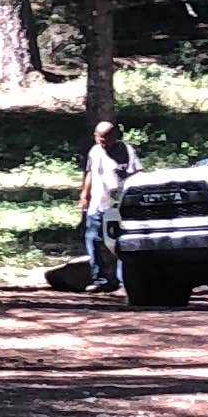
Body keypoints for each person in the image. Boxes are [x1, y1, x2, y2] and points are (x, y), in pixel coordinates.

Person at [81, 119, 134, 293]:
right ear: (95, 137)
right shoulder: (94, 151)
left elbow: (136, 174)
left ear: (115, 136)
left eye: (108, 139)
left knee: (120, 242)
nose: (104, 143)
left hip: (117, 206)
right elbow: (90, 172)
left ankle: (124, 282)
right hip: (97, 203)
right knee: (93, 240)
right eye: (100, 139)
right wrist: (84, 195)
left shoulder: (126, 151)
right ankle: (100, 279)